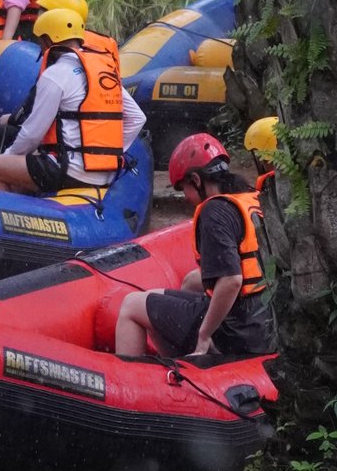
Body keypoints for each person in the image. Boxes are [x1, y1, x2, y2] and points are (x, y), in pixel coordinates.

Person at [114, 132, 276, 364]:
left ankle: (130, 386)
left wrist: (204, 334)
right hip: (262, 323)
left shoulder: (215, 212)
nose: (187, 197)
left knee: (131, 304)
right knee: (165, 291)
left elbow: (231, 280)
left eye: (184, 189)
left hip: (235, 331)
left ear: (197, 180)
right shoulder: (251, 197)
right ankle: (179, 364)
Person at [0, 0, 146, 192]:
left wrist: (7, 157)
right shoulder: (102, 71)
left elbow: (32, 134)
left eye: (40, 42)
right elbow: (137, 118)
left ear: (48, 41)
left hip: (69, 170)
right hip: (106, 172)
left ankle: (8, 219)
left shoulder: (56, 74)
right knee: (26, 160)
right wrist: (110, 153)